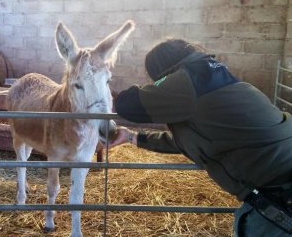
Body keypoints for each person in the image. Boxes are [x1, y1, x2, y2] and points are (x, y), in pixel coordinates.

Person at [108, 38, 292, 236]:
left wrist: (101, 85)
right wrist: (132, 137)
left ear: (161, 71)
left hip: (279, 199)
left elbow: (128, 104)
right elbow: (194, 139)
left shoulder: (187, 80)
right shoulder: (215, 77)